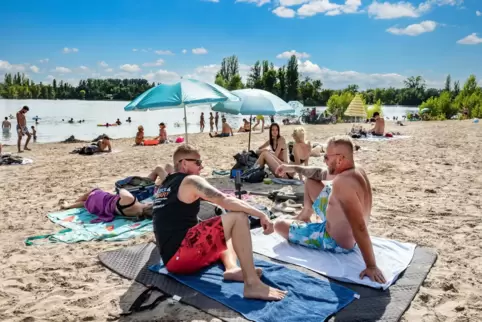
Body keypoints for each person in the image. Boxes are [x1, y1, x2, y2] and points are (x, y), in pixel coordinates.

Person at [153, 144, 287, 301]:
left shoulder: (166, 185)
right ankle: (252, 284)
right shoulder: (190, 181)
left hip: (170, 260)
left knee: (223, 227)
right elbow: (225, 200)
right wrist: (260, 214)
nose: (201, 166)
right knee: (238, 217)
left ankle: (232, 268)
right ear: (184, 163)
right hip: (181, 257)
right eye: (197, 162)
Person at [274, 136, 386, 284]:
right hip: (339, 219)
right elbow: (318, 173)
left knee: (278, 225)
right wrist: (292, 167)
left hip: (335, 239)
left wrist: (371, 265)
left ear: (339, 159)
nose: (324, 160)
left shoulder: (343, 183)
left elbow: (359, 226)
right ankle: (307, 214)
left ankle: (308, 223)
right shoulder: (355, 169)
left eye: (327, 157)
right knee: (310, 180)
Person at [60, 188, 153, 223]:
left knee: (94, 191)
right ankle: (69, 205)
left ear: (148, 204)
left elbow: (122, 190)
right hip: (102, 209)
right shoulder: (136, 214)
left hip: (103, 201)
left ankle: (70, 204)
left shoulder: (131, 200)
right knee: (86, 203)